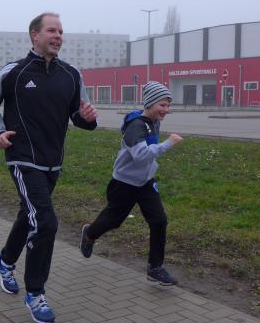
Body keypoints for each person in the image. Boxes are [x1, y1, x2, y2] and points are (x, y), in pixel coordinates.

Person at [0, 12, 98, 323]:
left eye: (61, 31)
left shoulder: (71, 75)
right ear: (35, 34)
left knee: (28, 214)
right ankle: (35, 293)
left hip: (52, 162)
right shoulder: (14, 72)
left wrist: (87, 117)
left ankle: (4, 262)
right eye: (51, 30)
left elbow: (79, 116)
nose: (58, 36)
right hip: (22, 158)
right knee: (45, 222)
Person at [79, 81, 184, 285]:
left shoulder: (153, 121)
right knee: (113, 220)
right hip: (124, 183)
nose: (166, 110)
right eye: (162, 105)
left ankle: (155, 268)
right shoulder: (137, 125)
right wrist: (168, 143)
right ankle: (89, 234)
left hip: (145, 182)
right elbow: (140, 155)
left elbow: (148, 152)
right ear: (150, 103)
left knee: (159, 221)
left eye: (168, 105)